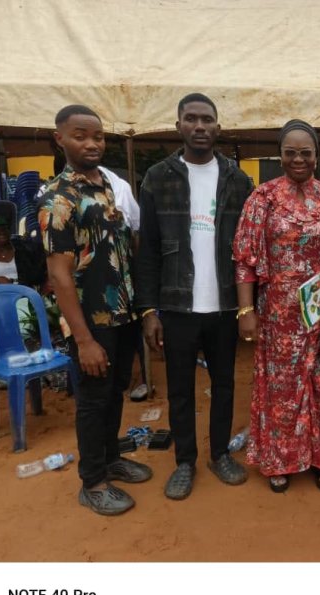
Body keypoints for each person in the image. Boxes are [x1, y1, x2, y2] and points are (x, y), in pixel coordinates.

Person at [136, 93, 253, 500]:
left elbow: (247, 251)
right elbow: (147, 249)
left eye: (207, 119)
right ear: (179, 126)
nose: (199, 126)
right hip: (177, 306)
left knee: (224, 385)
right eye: (191, 119)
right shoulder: (157, 177)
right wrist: (149, 310)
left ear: (218, 128)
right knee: (180, 388)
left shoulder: (239, 181)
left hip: (223, 306)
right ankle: (185, 461)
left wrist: (246, 307)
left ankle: (219, 454)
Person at [38, 104, 152, 516]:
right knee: (92, 400)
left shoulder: (106, 185)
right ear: (60, 139)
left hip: (122, 316)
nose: (91, 143)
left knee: (115, 391)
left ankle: (110, 458)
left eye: (98, 136)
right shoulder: (58, 198)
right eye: (80, 135)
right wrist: (83, 339)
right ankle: (93, 481)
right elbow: (61, 276)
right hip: (90, 322)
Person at [233, 119, 320, 493]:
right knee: (281, 387)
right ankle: (280, 460)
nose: (298, 159)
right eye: (291, 152)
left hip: (319, 310)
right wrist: (246, 310)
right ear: (280, 155)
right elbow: (244, 259)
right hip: (277, 313)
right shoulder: (263, 198)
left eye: (306, 152)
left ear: (317, 156)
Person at [98, 166, 148, 402]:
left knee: (118, 381)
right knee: (98, 391)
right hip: (95, 306)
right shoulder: (59, 196)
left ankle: (145, 378)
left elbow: (137, 232)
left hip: (127, 299)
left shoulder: (120, 187)